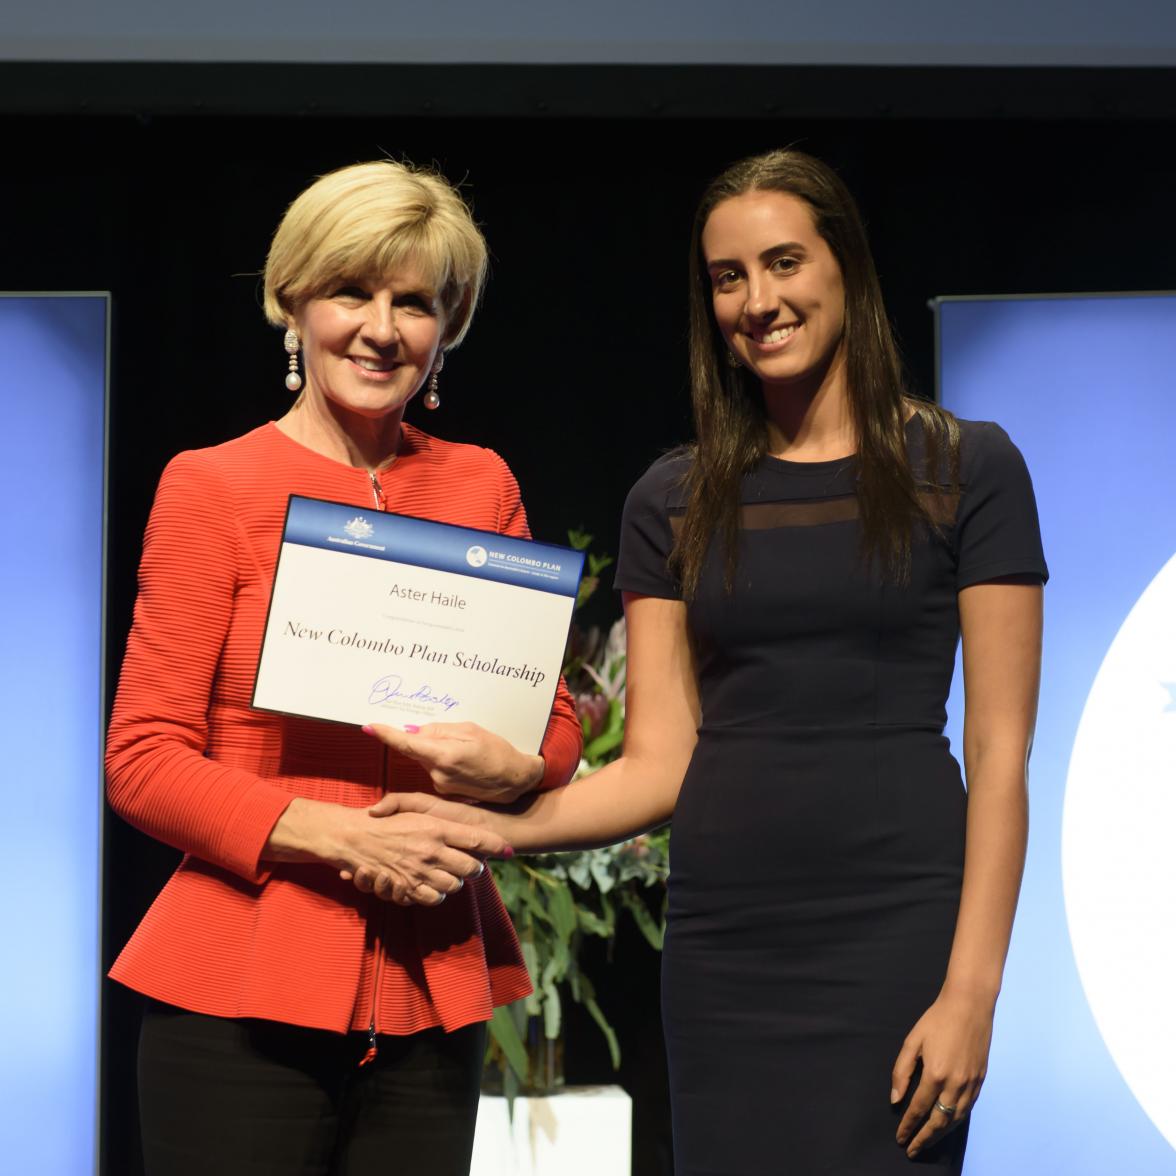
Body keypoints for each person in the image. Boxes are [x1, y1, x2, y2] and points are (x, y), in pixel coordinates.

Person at [364, 149, 1047, 1174]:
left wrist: (971, 993)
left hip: (897, 927)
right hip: (729, 943)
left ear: (846, 269)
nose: (758, 300)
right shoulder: (672, 499)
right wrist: (493, 827)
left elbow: (1001, 754)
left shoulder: (966, 469)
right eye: (728, 277)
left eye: (784, 263)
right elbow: (658, 764)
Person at [105, 159, 583, 1176]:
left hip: (431, 987)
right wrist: (329, 836)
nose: (382, 327)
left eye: (416, 302)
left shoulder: (480, 483)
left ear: (447, 327)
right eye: (351, 292)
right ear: (293, 300)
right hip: (238, 990)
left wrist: (526, 771)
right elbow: (142, 758)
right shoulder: (211, 487)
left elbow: (554, 718)